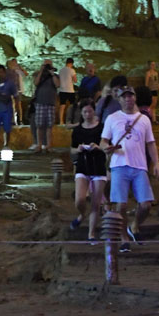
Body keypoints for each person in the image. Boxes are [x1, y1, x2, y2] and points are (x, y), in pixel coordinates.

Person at [101, 86, 159, 249]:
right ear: (119, 100)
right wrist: (106, 147)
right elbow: (103, 141)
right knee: (121, 204)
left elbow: (151, 143)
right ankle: (124, 238)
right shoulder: (112, 118)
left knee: (146, 204)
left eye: (130, 96)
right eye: (124, 97)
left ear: (135, 98)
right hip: (119, 165)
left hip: (139, 165)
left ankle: (134, 226)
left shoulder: (144, 119)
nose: (128, 99)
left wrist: (156, 163)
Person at [70, 100, 107, 241]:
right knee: (79, 199)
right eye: (84, 112)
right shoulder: (78, 130)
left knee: (96, 203)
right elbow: (72, 149)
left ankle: (91, 234)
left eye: (90, 111)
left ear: (94, 111)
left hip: (98, 165)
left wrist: (98, 147)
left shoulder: (102, 128)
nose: (87, 114)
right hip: (83, 166)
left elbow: (106, 145)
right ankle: (82, 214)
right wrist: (78, 149)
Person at [31, 60, 59, 152]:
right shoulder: (39, 74)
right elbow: (36, 83)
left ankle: (49, 146)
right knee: (39, 125)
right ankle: (39, 145)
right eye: (45, 65)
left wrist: (52, 73)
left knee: (49, 126)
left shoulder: (54, 75)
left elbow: (57, 84)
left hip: (50, 103)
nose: (47, 66)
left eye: (49, 65)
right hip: (40, 102)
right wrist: (41, 71)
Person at [0, 63, 17, 149]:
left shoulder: (10, 84)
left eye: (1, 72)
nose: (0, 74)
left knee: (7, 128)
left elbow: (15, 95)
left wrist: (15, 108)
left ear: (4, 72)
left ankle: (6, 145)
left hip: (7, 109)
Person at [58, 57, 77, 125]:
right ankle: (72, 120)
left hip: (62, 90)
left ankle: (61, 121)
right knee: (73, 106)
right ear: (71, 63)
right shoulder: (72, 70)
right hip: (70, 90)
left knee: (62, 106)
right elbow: (75, 80)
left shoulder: (61, 70)